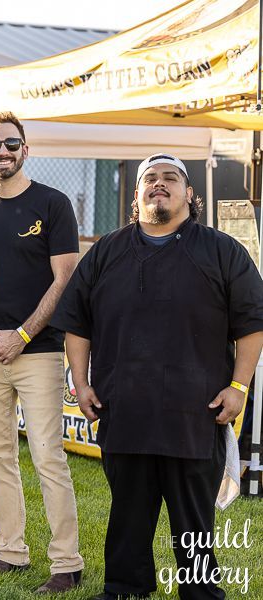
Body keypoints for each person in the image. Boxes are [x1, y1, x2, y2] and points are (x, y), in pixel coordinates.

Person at [52, 153, 263, 600]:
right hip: (123, 409)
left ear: (190, 193)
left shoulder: (223, 251)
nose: (159, 184)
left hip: (195, 413)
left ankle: (201, 595)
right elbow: (77, 323)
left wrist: (239, 386)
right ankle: (125, 589)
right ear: (136, 194)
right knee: (127, 514)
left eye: (171, 178)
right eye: (150, 178)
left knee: (193, 522)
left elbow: (252, 324)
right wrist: (82, 383)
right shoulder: (107, 250)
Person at [0, 112, 84, 594]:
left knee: (48, 455)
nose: (2, 152)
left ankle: (66, 564)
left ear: (25, 150)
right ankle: (10, 552)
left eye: (10, 144)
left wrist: (22, 336)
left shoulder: (52, 204)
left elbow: (64, 277)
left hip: (38, 352)